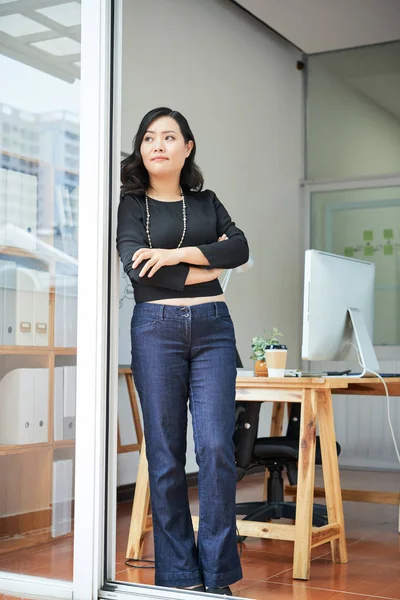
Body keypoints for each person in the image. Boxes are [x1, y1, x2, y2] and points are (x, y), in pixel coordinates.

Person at [117, 107, 249, 595]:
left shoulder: (207, 200)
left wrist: (171, 255)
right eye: (149, 137)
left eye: (168, 137)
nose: (157, 144)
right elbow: (137, 270)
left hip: (215, 329)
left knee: (216, 447)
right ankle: (177, 575)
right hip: (156, 328)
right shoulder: (132, 205)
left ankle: (216, 575)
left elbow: (239, 248)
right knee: (167, 455)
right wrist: (205, 265)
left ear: (186, 147)